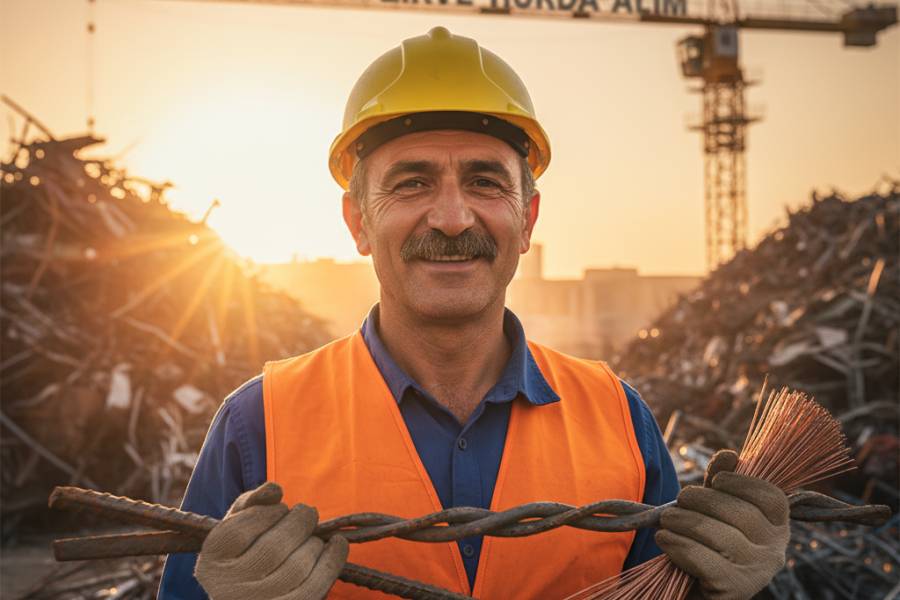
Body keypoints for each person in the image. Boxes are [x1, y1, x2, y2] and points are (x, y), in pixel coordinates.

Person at [158, 26, 790, 600]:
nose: (454, 218)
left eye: (486, 182)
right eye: (412, 183)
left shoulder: (619, 419)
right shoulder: (258, 423)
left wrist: (726, 593)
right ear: (358, 223)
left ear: (527, 221)